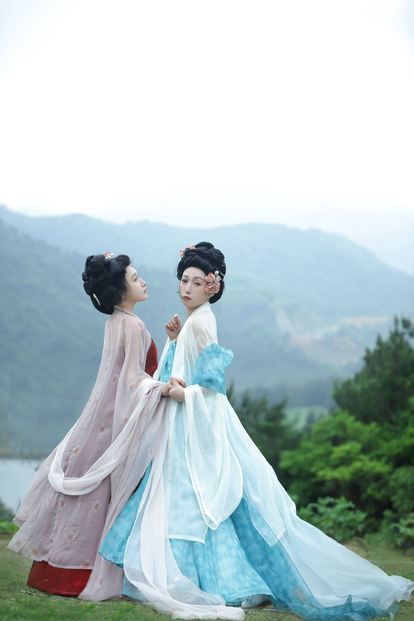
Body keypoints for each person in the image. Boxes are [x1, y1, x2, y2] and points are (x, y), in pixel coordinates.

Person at [97, 242, 414, 621]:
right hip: (182, 428)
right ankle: (198, 577)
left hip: (190, 426)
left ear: (212, 287)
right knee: (187, 499)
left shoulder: (203, 322)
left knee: (190, 499)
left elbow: (211, 387)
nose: (187, 289)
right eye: (183, 281)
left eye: (197, 283)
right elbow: (183, 368)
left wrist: (185, 394)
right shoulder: (193, 322)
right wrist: (175, 341)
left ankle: (209, 581)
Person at [8, 253, 180, 597]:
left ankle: (55, 572)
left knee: (88, 495)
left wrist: (171, 343)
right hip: (115, 421)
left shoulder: (115, 322)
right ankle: (86, 575)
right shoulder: (134, 325)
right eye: (135, 278)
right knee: (102, 495)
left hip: (99, 417)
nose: (143, 282)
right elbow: (133, 380)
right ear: (120, 291)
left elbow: (127, 377)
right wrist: (163, 389)